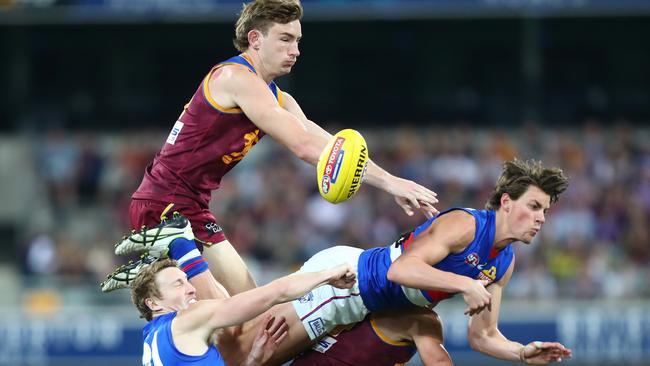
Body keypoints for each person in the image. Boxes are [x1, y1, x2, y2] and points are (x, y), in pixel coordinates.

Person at [112, 0, 438, 296]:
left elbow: (330, 145)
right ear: (255, 39)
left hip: (191, 205)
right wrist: (390, 183)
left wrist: (392, 182)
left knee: (245, 300)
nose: (295, 50)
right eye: (285, 39)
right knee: (223, 312)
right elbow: (303, 145)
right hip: (163, 204)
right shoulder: (234, 78)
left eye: (297, 40)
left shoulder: (277, 97)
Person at [110, 158, 572, 365]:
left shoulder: (503, 262)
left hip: (361, 292)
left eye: (546, 212)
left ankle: (188, 239)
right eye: (533, 206)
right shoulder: (466, 226)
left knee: (242, 321)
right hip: (346, 287)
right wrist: (464, 286)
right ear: (506, 202)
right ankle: (181, 244)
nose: (540, 219)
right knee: (234, 344)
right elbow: (401, 271)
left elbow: (484, 334)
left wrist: (520, 353)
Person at [130, 255, 355, 365]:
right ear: (153, 303)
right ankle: (180, 240)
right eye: (178, 284)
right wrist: (327, 275)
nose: (191, 289)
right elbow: (273, 294)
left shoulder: (151, 341)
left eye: (187, 280)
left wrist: (254, 361)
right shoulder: (185, 319)